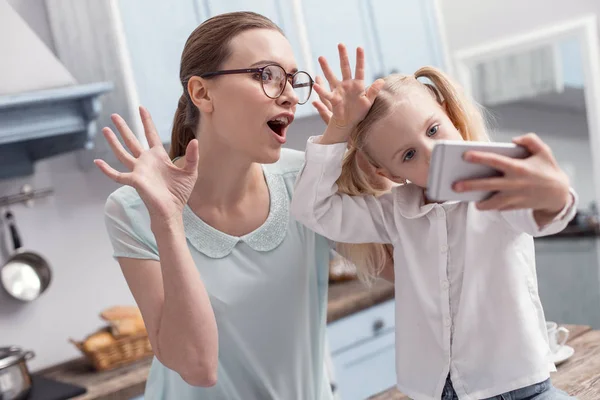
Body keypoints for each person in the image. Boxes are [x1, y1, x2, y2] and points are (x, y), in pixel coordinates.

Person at [94, 11, 392, 400]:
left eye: (292, 79)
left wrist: (378, 166)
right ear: (202, 93)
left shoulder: (306, 179)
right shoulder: (133, 208)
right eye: (265, 75)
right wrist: (167, 219)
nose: (287, 94)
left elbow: (413, 273)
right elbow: (196, 367)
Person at [291, 44, 579, 399]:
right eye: (408, 155)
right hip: (434, 391)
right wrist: (337, 129)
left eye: (433, 130)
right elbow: (312, 210)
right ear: (389, 173)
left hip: (517, 385)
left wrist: (554, 195)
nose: (431, 153)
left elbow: (548, 216)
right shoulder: (395, 213)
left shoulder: (496, 189)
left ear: (451, 118)